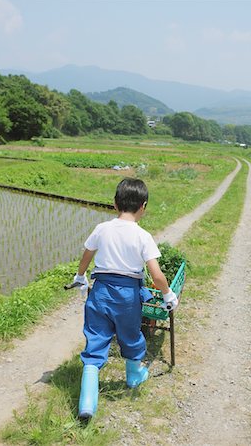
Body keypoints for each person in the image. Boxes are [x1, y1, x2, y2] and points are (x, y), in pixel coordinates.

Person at [73, 178, 178, 418]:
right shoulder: (143, 236)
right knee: (130, 335)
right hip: (128, 296)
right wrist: (167, 294)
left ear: (114, 204)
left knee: (96, 338)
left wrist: (80, 277)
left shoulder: (102, 228)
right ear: (144, 206)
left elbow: (87, 254)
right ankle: (133, 377)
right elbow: (156, 274)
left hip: (100, 291)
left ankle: (87, 403)